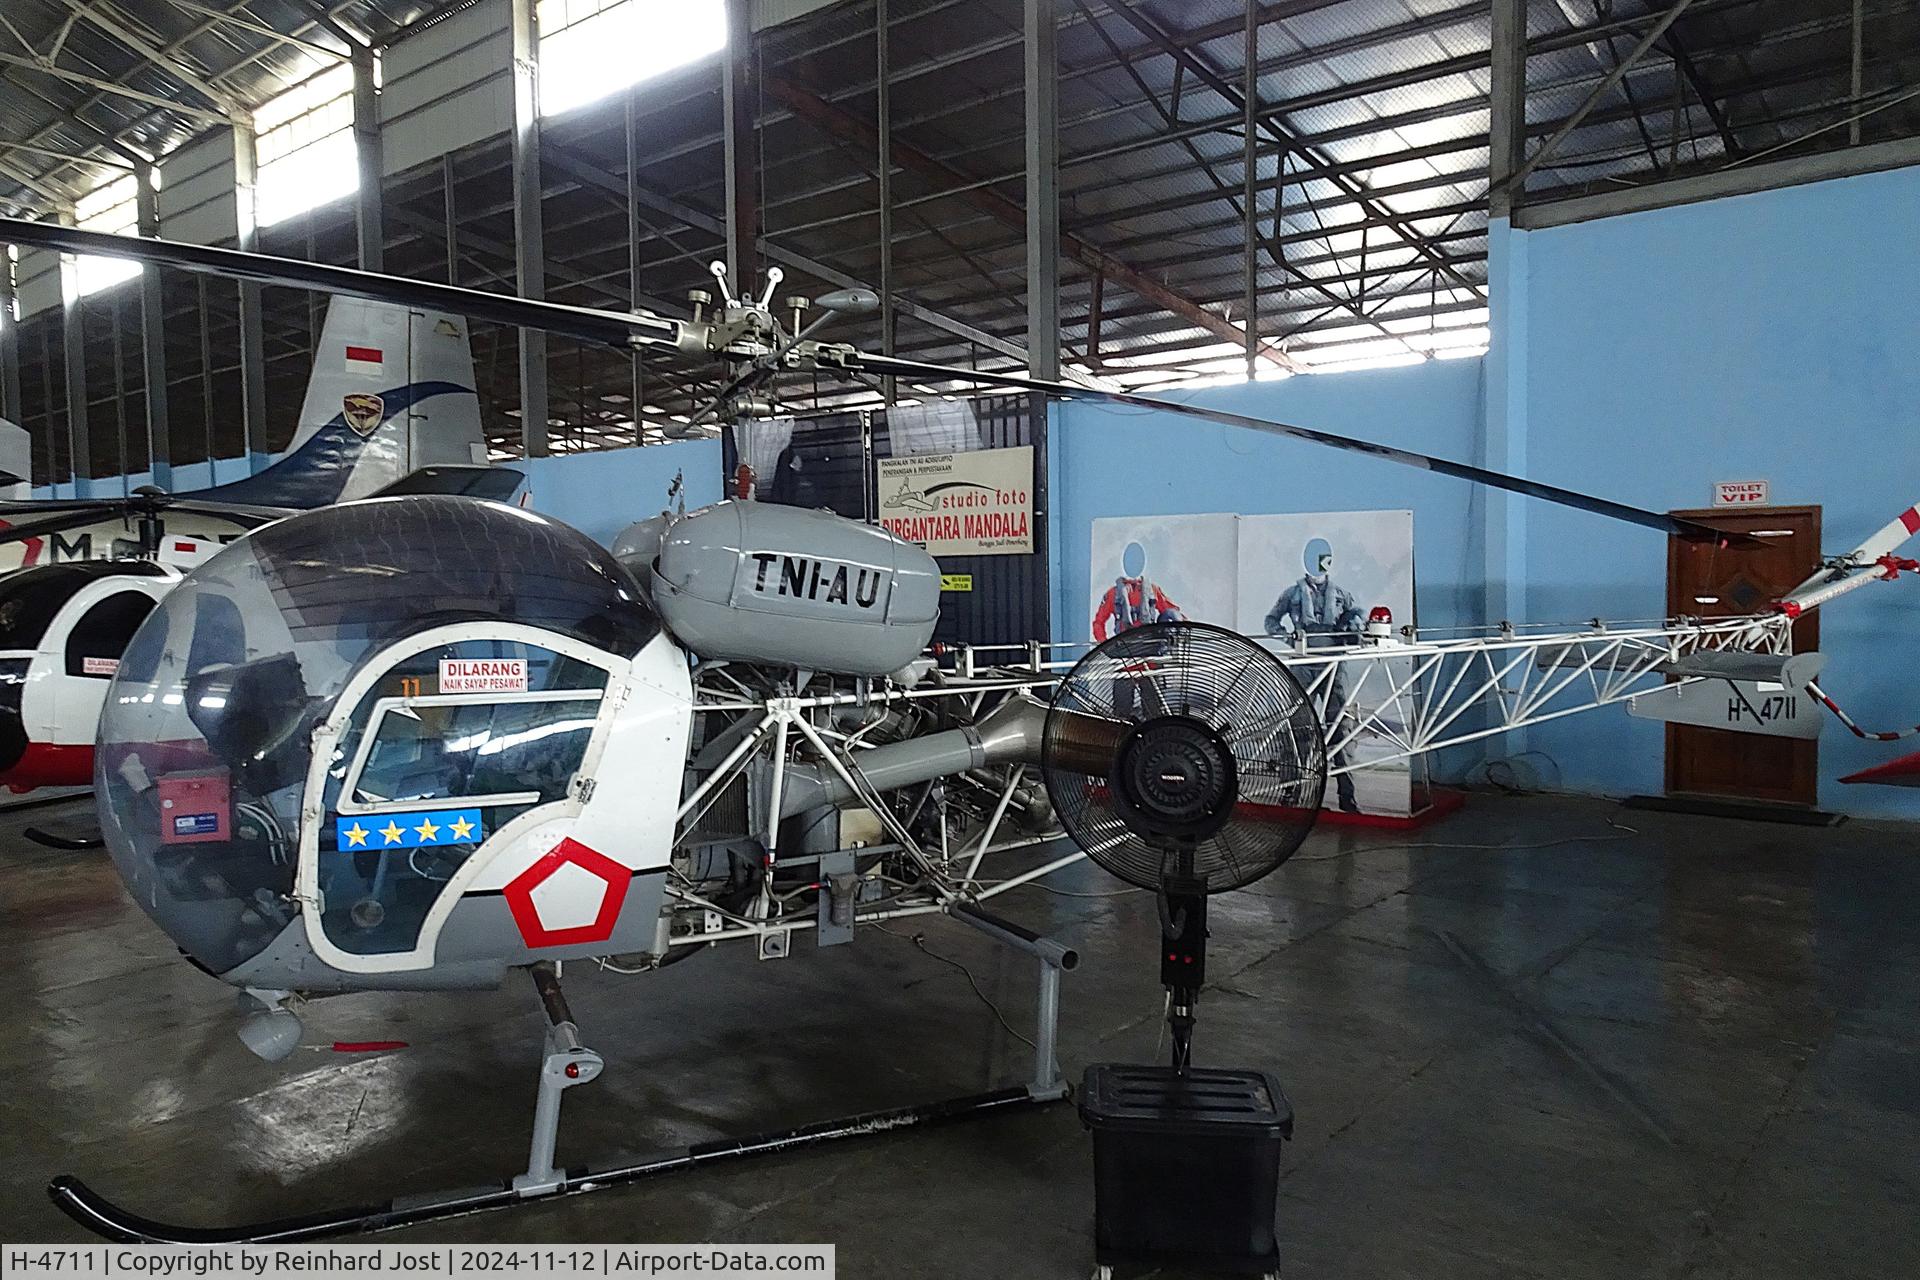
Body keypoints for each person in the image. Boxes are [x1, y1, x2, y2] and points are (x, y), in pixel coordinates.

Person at [1264, 538, 1364, 814]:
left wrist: (1355, 629)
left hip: (1334, 664)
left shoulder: (1342, 595)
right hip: (1303, 663)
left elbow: (1359, 622)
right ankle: (1291, 791)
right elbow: (1270, 621)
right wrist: (1289, 639)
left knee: (1341, 729)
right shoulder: (1292, 594)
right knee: (1297, 728)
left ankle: (1348, 797)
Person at [1092, 542, 1183, 642]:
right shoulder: (1113, 593)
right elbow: (1098, 623)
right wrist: (1105, 645)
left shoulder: (1152, 590)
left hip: (1149, 644)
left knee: (1172, 614)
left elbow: (1172, 612)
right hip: (1126, 647)